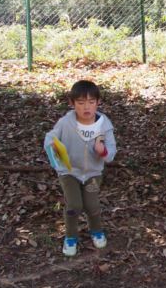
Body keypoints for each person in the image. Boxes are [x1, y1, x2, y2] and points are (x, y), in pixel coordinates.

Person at [44, 80, 117, 257]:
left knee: (92, 205)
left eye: (91, 102)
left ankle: (96, 230)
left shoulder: (103, 125)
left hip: (93, 174)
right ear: (72, 103)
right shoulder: (65, 123)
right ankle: (70, 236)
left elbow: (111, 151)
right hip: (69, 172)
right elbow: (50, 138)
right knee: (74, 205)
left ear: (98, 102)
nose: (87, 107)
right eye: (81, 102)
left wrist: (103, 151)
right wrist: (54, 150)